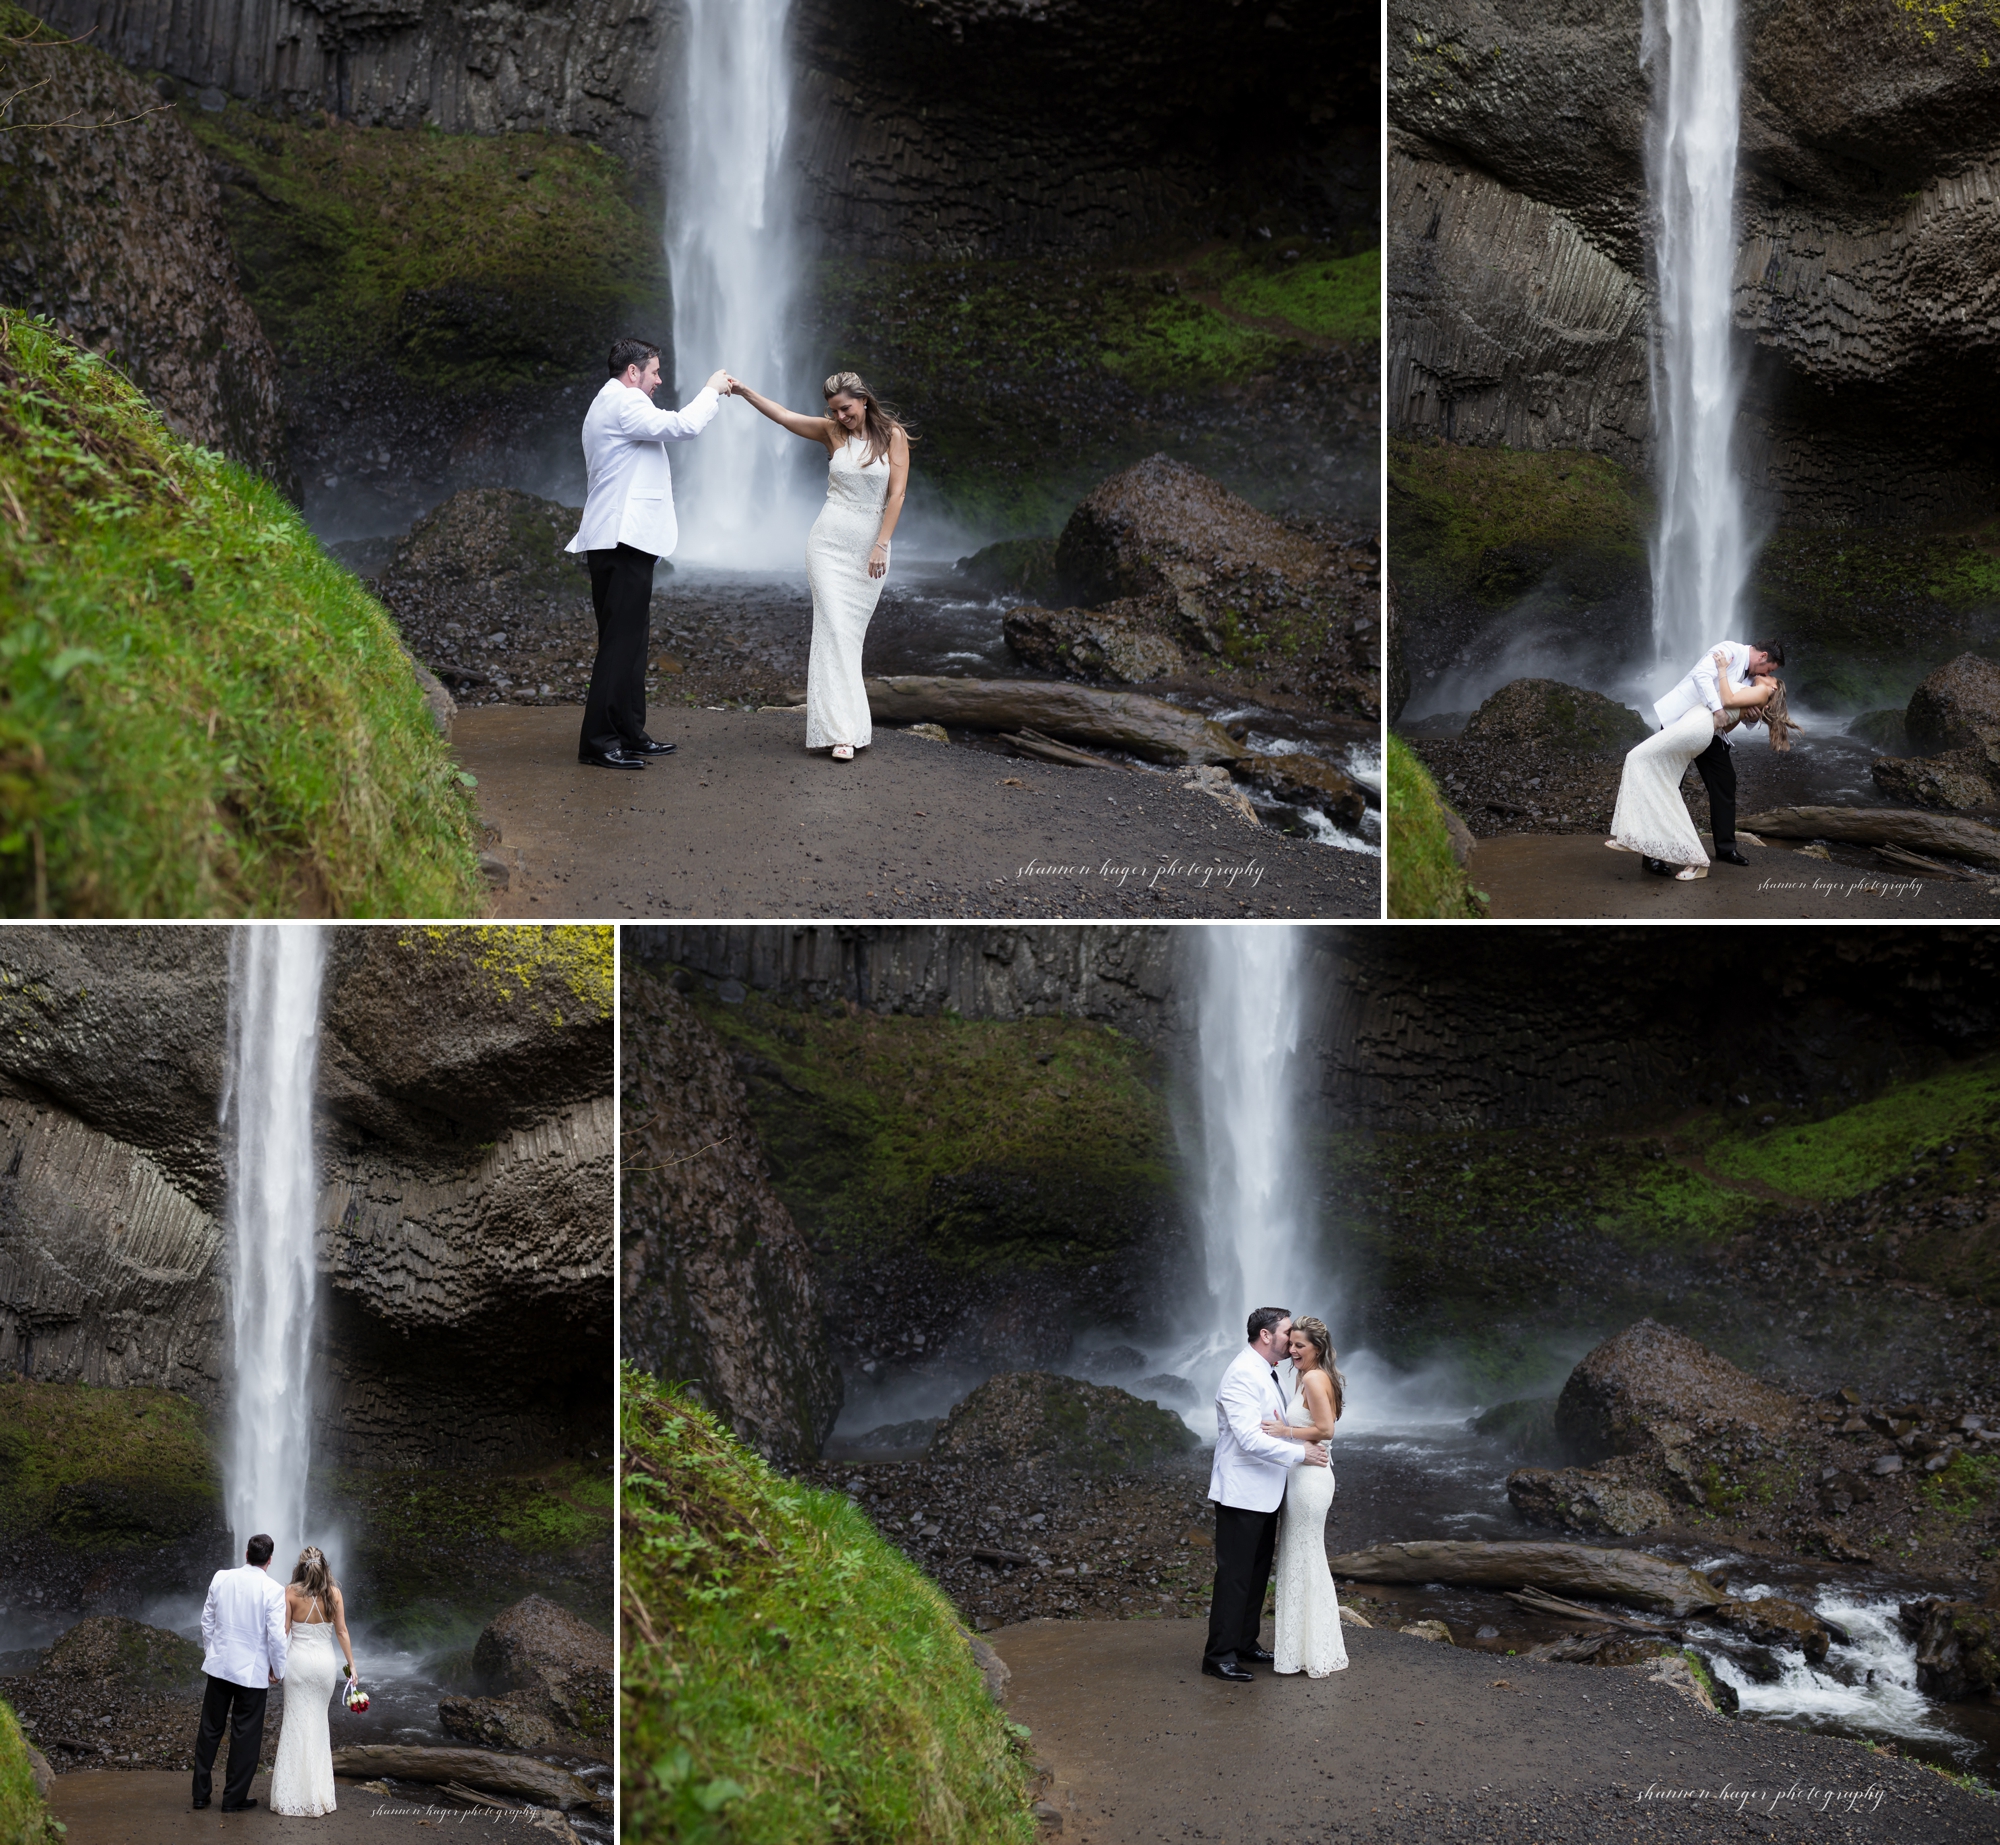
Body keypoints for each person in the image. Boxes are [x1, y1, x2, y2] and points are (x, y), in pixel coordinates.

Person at [724, 370, 912, 762]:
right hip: (827, 545)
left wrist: (881, 544)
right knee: (833, 631)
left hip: (870, 549)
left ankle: (849, 727)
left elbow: (896, 495)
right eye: (834, 410)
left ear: (863, 400)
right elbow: (783, 416)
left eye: (845, 408)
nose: (841, 416)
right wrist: (743, 391)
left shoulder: (892, 435)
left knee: (848, 637)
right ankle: (841, 733)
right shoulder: (832, 432)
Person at [565, 339, 732, 771]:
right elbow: (683, 426)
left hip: (624, 541)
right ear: (633, 372)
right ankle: (598, 741)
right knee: (620, 644)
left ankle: (628, 732)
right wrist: (712, 390)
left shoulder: (610, 402)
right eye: (654, 371)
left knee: (632, 642)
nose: (659, 380)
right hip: (621, 541)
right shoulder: (623, 402)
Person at [1201, 1307, 1329, 1683]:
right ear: (1266, 1335)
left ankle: (1244, 1642)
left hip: (1265, 1491)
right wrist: (1301, 1453)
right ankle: (1219, 1655)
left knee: (1256, 1574)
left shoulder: (1267, 1371)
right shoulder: (1242, 1373)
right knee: (1235, 1576)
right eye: (1288, 1332)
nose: (1293, 1338)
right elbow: (1248, 1439)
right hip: (1241, 1492)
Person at [1607, 641, 1790, 879]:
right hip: (1683, 722)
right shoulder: (1728, 650)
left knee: (1724, 783)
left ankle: (1726, 849)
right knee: (1666, 783)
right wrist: (1717, 709)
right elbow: (1701, 676)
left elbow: (1739, 711)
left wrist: (1753, 717)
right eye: (1769, 670)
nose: (1766, 675)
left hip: (1712, 731)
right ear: (1763, 656)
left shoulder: (1756, 681)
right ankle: (1653, 855)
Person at [1258, 1316, 1350, 1679]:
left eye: (1301, 1345)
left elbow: (1327, 1429)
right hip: (1302, 1473)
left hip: (1310, 1478)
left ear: (1318, 1348)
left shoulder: (1312, 1378)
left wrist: (1285, 1431)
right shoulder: (1307, 1375)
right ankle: (1306, 1648)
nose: (1292, 1350)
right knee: (1301, 1556)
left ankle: (1313, 1651)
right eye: (1291, 1343)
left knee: (1305, 1557)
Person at [192, 1533, 287, 1812]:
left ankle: (200, 1795)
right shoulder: (273, 1590)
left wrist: (212, 1652)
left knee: (210, 1729)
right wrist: (278, 1669)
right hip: (252, 1673)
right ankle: (232, 1799)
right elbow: (277, 1637)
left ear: (246, 1554)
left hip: (220, 1666)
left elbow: (206, 1621)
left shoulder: (221, 1577)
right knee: (245, 1735)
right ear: (270, 1560)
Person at [269, 1546, 356, 1817]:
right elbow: (341, 1631)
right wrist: (351, 1666)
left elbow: (283, 1633)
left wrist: (272, 1666)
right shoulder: (334, 1594)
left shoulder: (290, 1593)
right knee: (318, 1725)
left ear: (301, 1566)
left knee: (295, 1724)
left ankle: (292, 1795)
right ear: (324, 1566)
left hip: (298, 1665)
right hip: (324, 1666)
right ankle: (319, 1795)